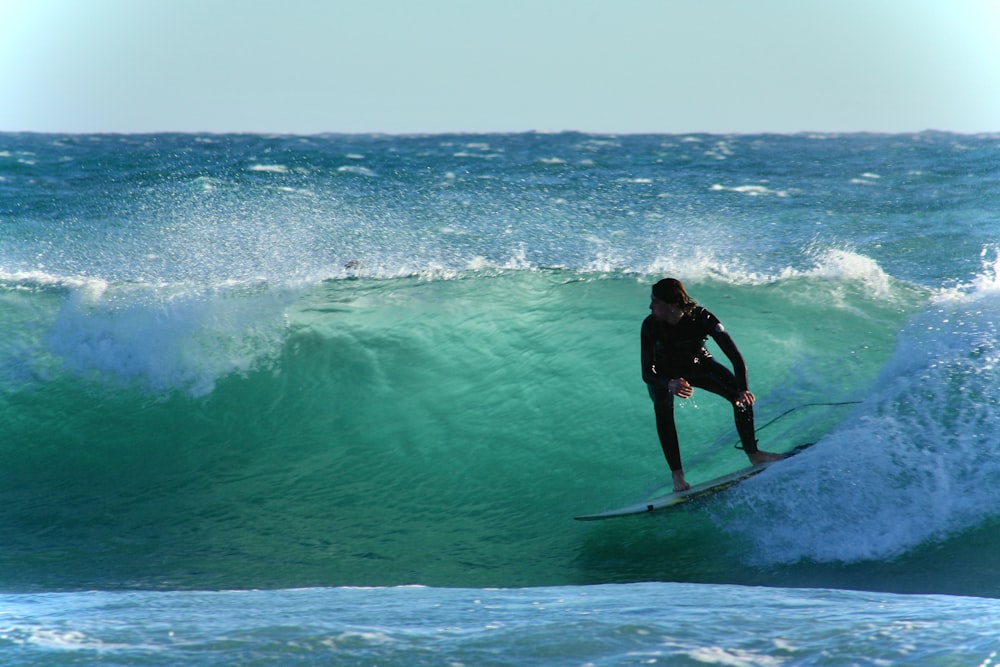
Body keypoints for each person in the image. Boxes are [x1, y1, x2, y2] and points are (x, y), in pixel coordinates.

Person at [641, 278, 783, 492]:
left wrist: (743, 389)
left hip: (698, 364)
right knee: (662, 408)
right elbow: (647, 373)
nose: (650, 306)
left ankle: (754, 454)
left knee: (740, 396)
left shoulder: (702, 318)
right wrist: (669, 383)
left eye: (655, 301)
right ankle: (678, 477)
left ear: (671, 304)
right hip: (665, 375)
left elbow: (735, 357)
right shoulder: (650, 325)